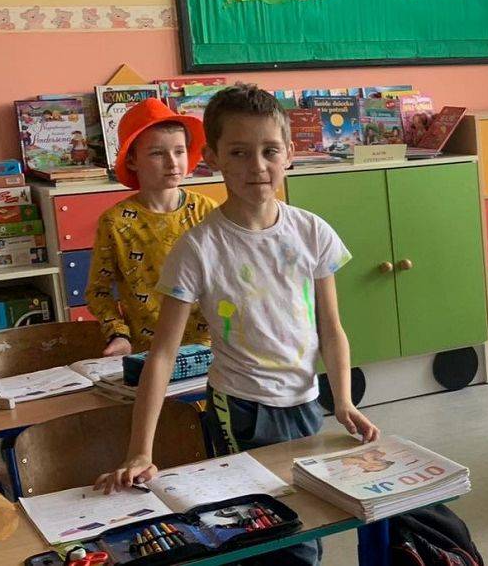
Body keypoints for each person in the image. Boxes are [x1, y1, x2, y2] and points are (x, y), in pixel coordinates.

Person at [96, 84, 379, 566]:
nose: (257, 166)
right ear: (213, 158)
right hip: (241, 407)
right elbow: (162, 354)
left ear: (289, 154)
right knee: (269, 530)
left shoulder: (312, 231)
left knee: (308, 517)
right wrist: (140, 450)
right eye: (239, 153)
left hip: (305, 400)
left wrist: (344, 401)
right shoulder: (198, 248)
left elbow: (330, 328)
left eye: (270, 151)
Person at [86, 98, 213, 356]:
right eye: (157, 153)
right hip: (149, 352)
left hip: (209, 346)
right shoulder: (115, 222)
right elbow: (98, 291)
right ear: (132, 160)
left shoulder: (206, 211)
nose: (172, 162)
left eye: (179, 151)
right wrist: (118, 334)